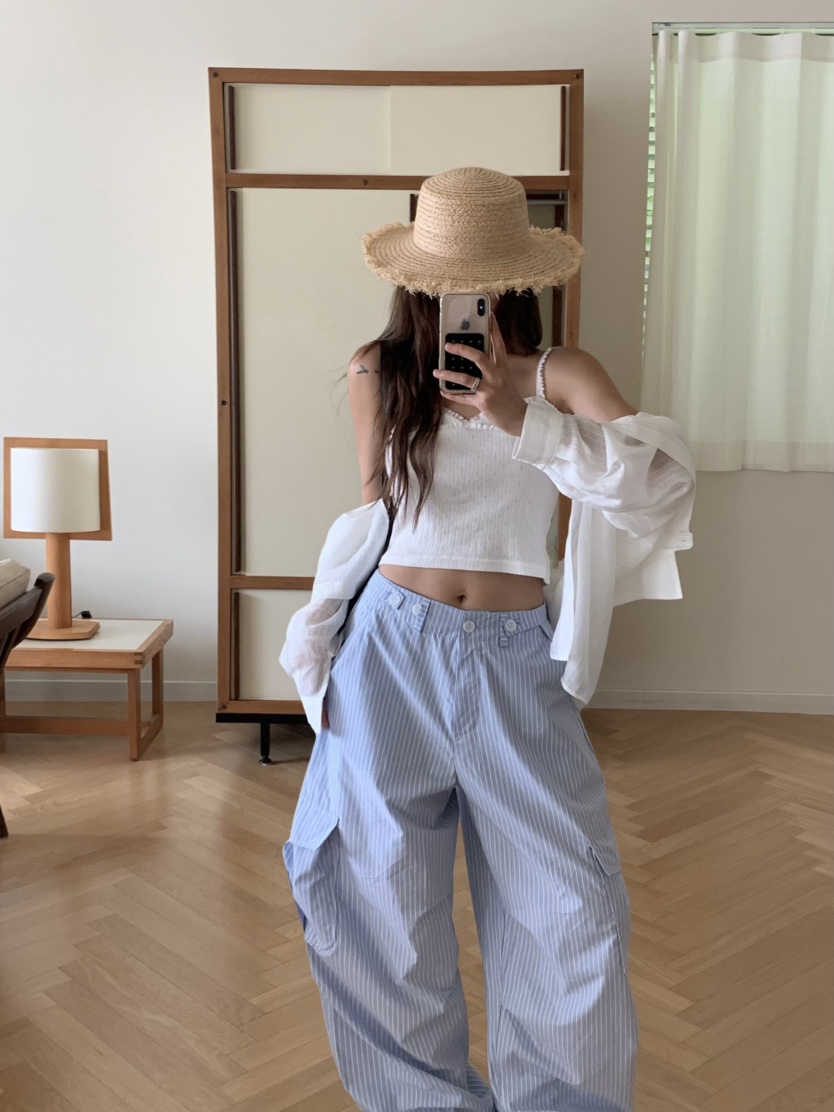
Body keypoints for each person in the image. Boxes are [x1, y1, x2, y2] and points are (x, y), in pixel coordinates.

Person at [281, 166, 695, 1112]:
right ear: (415, 278)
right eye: (445, 276)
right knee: (378, 904)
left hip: (515, 657)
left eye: (480, 276)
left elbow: (657, 484)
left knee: (568, 907)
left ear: (514, 277)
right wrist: (324, 640)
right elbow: (376, 514)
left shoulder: (562, 375)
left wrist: (520, 418)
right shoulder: (378, 370)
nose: (460, 294)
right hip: (390, 651)